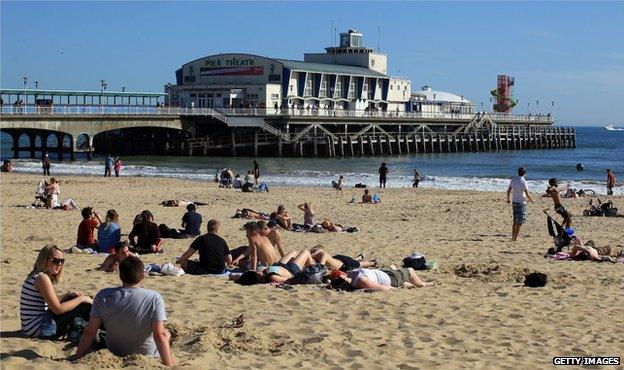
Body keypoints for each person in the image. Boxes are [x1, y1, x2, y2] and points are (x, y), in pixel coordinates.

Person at [74, 256, 174, 366]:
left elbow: (90, 331)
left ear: (120, 275)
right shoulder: (154, 297)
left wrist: (77, 357)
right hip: (146, 355)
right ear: (142, 276)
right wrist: (170, 365)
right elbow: (160, 335)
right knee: (166, 333)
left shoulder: (103, 295)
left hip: (114, 352)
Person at [20, 245, 93, 339]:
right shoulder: (42, 278)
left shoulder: (35, 275)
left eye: (62, 261)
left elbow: (50, 302)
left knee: (73, 299)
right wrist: (82, 299)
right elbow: (58, 309)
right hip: (41, 329)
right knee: (85, 306)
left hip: (30, 327)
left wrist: (69, 295)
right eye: (55, 260)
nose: (59, 264)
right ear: (44, 260)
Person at [506, 167, 535, 241]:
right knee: (520, 222)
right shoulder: (523, 181)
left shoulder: (513, 180)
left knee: (515, 221)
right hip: (521, 203)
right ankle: (514, 238)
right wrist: (532, 200)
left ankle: (513, 236)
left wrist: (508, 199)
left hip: (514, 202)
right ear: (525, 173)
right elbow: (527, 193)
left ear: (518, 172)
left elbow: (508, 190)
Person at [346, 267, 431, 291]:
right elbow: (381, 287)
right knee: (410, 270)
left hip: (382, 273)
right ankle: (423, 284)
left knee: (392, 266)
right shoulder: (361, 280)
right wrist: (395, 288)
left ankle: (404, 283)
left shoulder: (350, 274)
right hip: (392, 278)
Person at [310, 246, 377, 271]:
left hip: (345, 264)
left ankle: (373, 262)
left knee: (360, 264)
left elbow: (319, 269)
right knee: (353, 260)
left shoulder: (323, 255)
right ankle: (359, 257)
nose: (313, 253)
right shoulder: (320, 258)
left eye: (314, 251)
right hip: (337, 259)